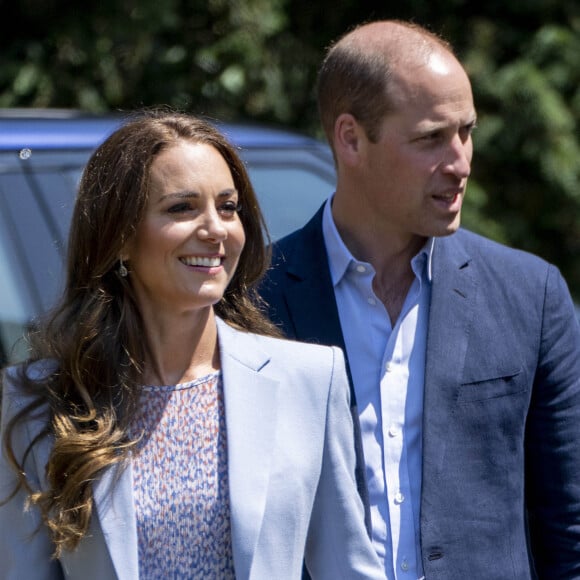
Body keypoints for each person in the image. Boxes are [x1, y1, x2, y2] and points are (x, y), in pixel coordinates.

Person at [0, 111, 385, 579]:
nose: (216, 229)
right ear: (119, 238)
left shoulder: (308, 378)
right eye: (181, 208)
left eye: (228, 206)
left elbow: (347, 567)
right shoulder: (38, 400)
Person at [259, 19, 580, 580]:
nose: (460, 163)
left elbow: (570, 525)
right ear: (351, 138)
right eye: (431, 138)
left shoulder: (532, 295)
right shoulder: (252, 299)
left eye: (466, 132)